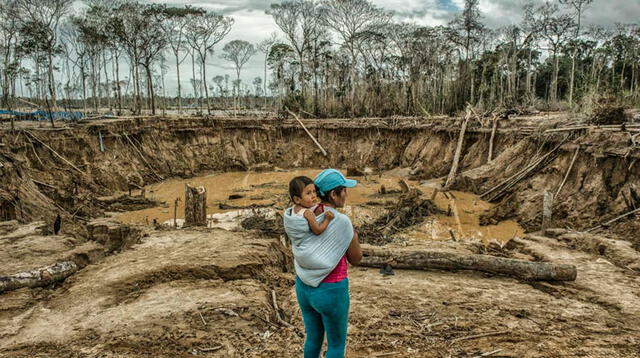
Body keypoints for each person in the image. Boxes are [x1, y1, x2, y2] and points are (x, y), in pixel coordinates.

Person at [285, 169, 363, 358]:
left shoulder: (303, 214)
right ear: (333, 194)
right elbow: (356, 259)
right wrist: (353, 235)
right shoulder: (341, 221)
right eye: (343, 190)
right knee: (336, 345)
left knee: (312, 338)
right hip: (331, 290)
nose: (346, 194)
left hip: (304, 287)